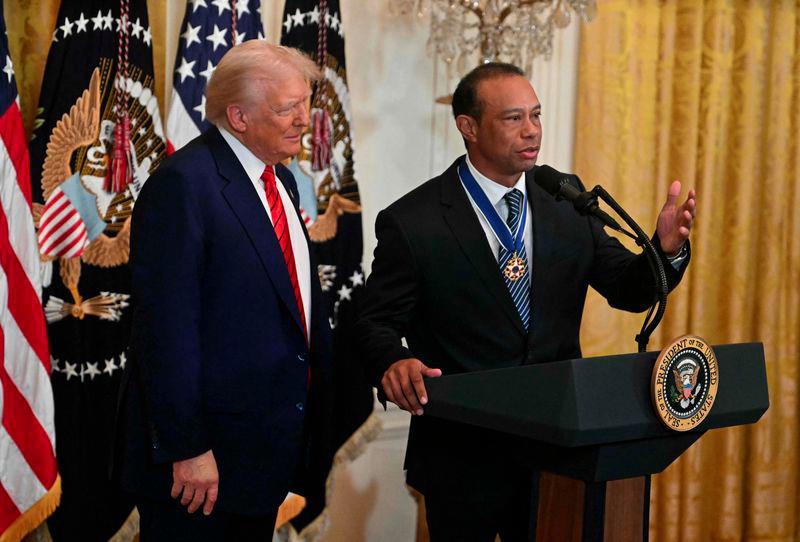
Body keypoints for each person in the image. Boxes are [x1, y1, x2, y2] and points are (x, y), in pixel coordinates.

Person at [356, 62, 696, 541]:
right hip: (463, 457)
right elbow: (372, 323)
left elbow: (629, 289)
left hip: (559, 450)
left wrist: (665, 250)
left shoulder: (566, 199)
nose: (531, 130)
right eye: (513, 118)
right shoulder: (415, 220)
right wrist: (394, 360)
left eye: (536, 115)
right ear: (468, 128)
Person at [117, 42, 333, 541]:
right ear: (238, 115)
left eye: (305, 102)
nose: (305, 119)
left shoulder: (281, 180)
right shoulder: (183, 185)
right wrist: (187, 448)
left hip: (262, 454)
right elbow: (166, 330)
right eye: (287, 108)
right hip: (200, 468)